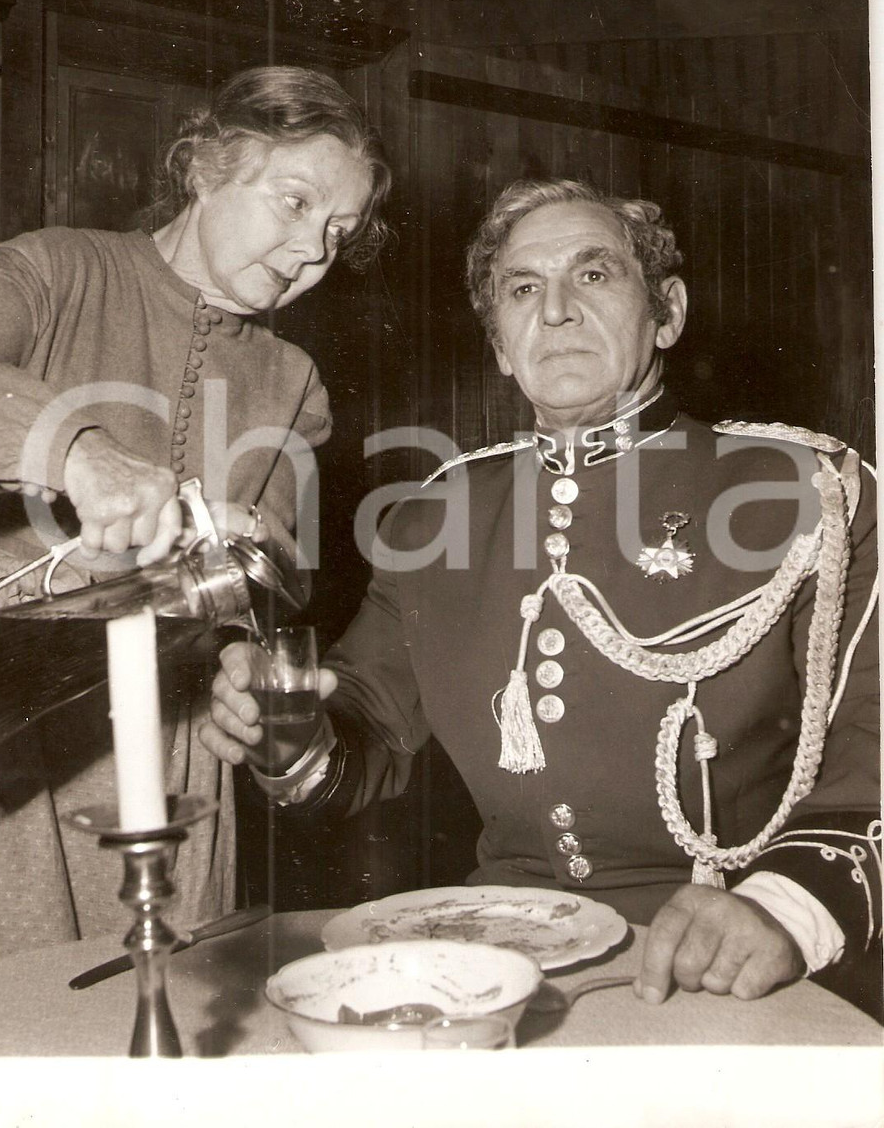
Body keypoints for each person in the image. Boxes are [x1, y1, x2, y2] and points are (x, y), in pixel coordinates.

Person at [204, 178, 881, 1018]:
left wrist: (781, 912)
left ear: (666, 312)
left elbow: (872, 755)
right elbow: (364, 740)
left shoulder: (811, 492)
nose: (554, 311)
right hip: (503, 959)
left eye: (593, 276)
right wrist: (287, 730)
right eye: (523, 289)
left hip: (738, 955)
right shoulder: (434, 518)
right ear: (499, 343)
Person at [0, 65, 390, 975]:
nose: (311, 250)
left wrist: (248, 661)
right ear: (206, 166)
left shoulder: (291, 382)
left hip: (164, 756)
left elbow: (269, 577)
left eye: (338, 232)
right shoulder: (55, 271)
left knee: (160, 1021)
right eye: (293, 202)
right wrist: (73, 451)